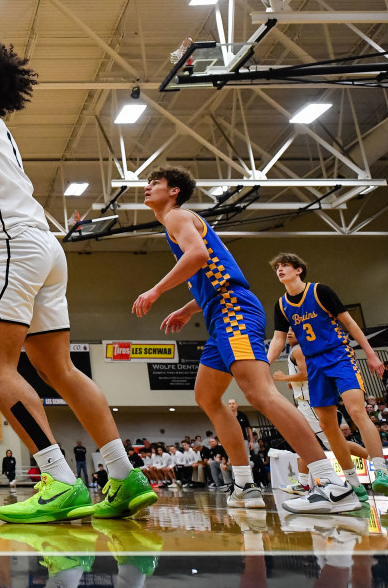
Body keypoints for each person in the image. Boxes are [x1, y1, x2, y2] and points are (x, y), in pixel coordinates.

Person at [0, 34, 155, 524]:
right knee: (60, 371)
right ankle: (124, 474)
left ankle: (59, 480)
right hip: (42, 247)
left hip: (9, 250)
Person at [135, 167, 359, 514]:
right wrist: (186, 309)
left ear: (174, 191)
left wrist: (156, 290)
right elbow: (212, 275)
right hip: (219, 312)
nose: (147, 188)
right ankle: (244, 484)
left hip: (233, 311)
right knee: (207, 396)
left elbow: (199, 257)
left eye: (155, 184)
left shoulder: (177, 217)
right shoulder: (176, 223)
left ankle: (330, 483)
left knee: (260, 393)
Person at [265, 253, 388, 497]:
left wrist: (371, 354)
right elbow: (278, 338)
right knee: (327, 426)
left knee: (357, 411)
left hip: (339, 355)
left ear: (298, 270)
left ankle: (381, 469)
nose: (280, 270)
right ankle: (353, 483)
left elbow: (350, 324)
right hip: (315, 365)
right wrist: (265, 363)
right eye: (277, 268)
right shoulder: (281, 304)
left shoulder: (321, 291)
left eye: (285, 266)